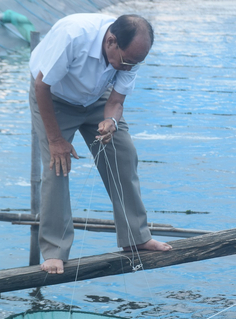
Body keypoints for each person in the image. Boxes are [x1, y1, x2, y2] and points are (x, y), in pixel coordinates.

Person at [29, 13, 172, 274]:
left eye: (135, 64)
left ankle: (135, 239)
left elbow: (116, 102)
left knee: (124, 153)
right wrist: (56, 140)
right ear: (111, 41)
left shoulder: (132, 56)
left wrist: (110, 122)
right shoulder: (73, 36)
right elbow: (42, 86)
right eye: (126, 61)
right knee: (56, 166)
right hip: (55, 97)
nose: (129, 68)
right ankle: (54, 250)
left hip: (97, 98)